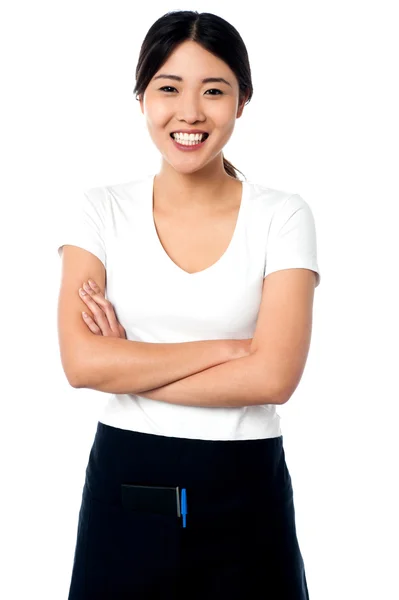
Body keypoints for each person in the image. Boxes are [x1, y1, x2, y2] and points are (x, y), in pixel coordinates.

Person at [57, 10, 321, 600]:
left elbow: (275, 377)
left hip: (247, 490)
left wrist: (129, 361)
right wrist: (231, 352)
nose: (191, 113)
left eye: (214, 91)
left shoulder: (283, 215)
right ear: (143, 97)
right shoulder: (99, 210)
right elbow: (81, 365)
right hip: (127, 481)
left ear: (242, 101)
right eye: (169, 89)